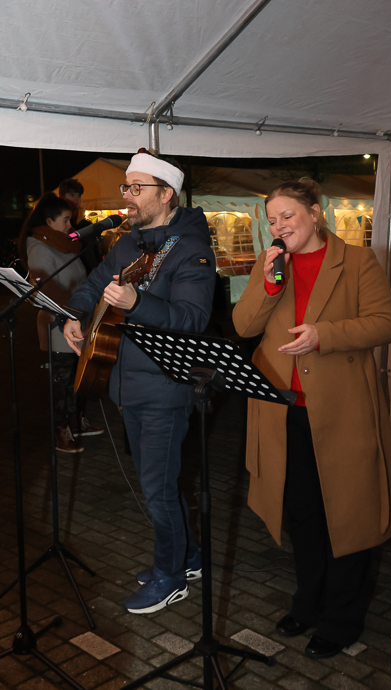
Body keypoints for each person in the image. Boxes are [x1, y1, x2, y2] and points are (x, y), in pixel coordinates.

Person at [232, 179, 391, 659]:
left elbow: (385, 323)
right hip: (284, 410)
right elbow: (244, 326)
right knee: (303, 514)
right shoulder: (271, 263)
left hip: (342, 412)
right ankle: (308, 603)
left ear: (315, 213)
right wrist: (269, 284)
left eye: (288, 215)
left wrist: (323, 336)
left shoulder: (357, 261)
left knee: (348, 514)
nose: (279, 226)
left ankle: (341, 619)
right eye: (272, 219)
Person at [63, 149, 216, 614]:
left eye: (136, 187)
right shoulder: (127, 243)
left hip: (164, 390)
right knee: (159, 485)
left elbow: (192, 319)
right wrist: (75, 313)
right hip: (126, 384)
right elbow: (94, 284)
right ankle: (189, 557)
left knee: (158, 489)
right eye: (126, 187)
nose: (127, 196)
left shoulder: (191, 250)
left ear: (166, 194)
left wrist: (136, 303)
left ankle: (170, 577)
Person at [17, 192, 103, 453]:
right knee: (61, 381)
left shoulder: (64, 245)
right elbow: (47, 291)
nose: (70, 225)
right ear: (49, 220)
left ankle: (75, 421)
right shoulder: (40, 248)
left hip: (77, 321)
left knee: (75, 378)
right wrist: (77, 304)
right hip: (58, 325)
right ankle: (60, 429)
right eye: (65, 220)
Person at [59, 178, 101, 272]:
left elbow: (94, 252)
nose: (76, 199)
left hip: (91, 272)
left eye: (78, 196)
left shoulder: (84, 223)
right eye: (72, 195)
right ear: (62, 197)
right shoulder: (60, 223)